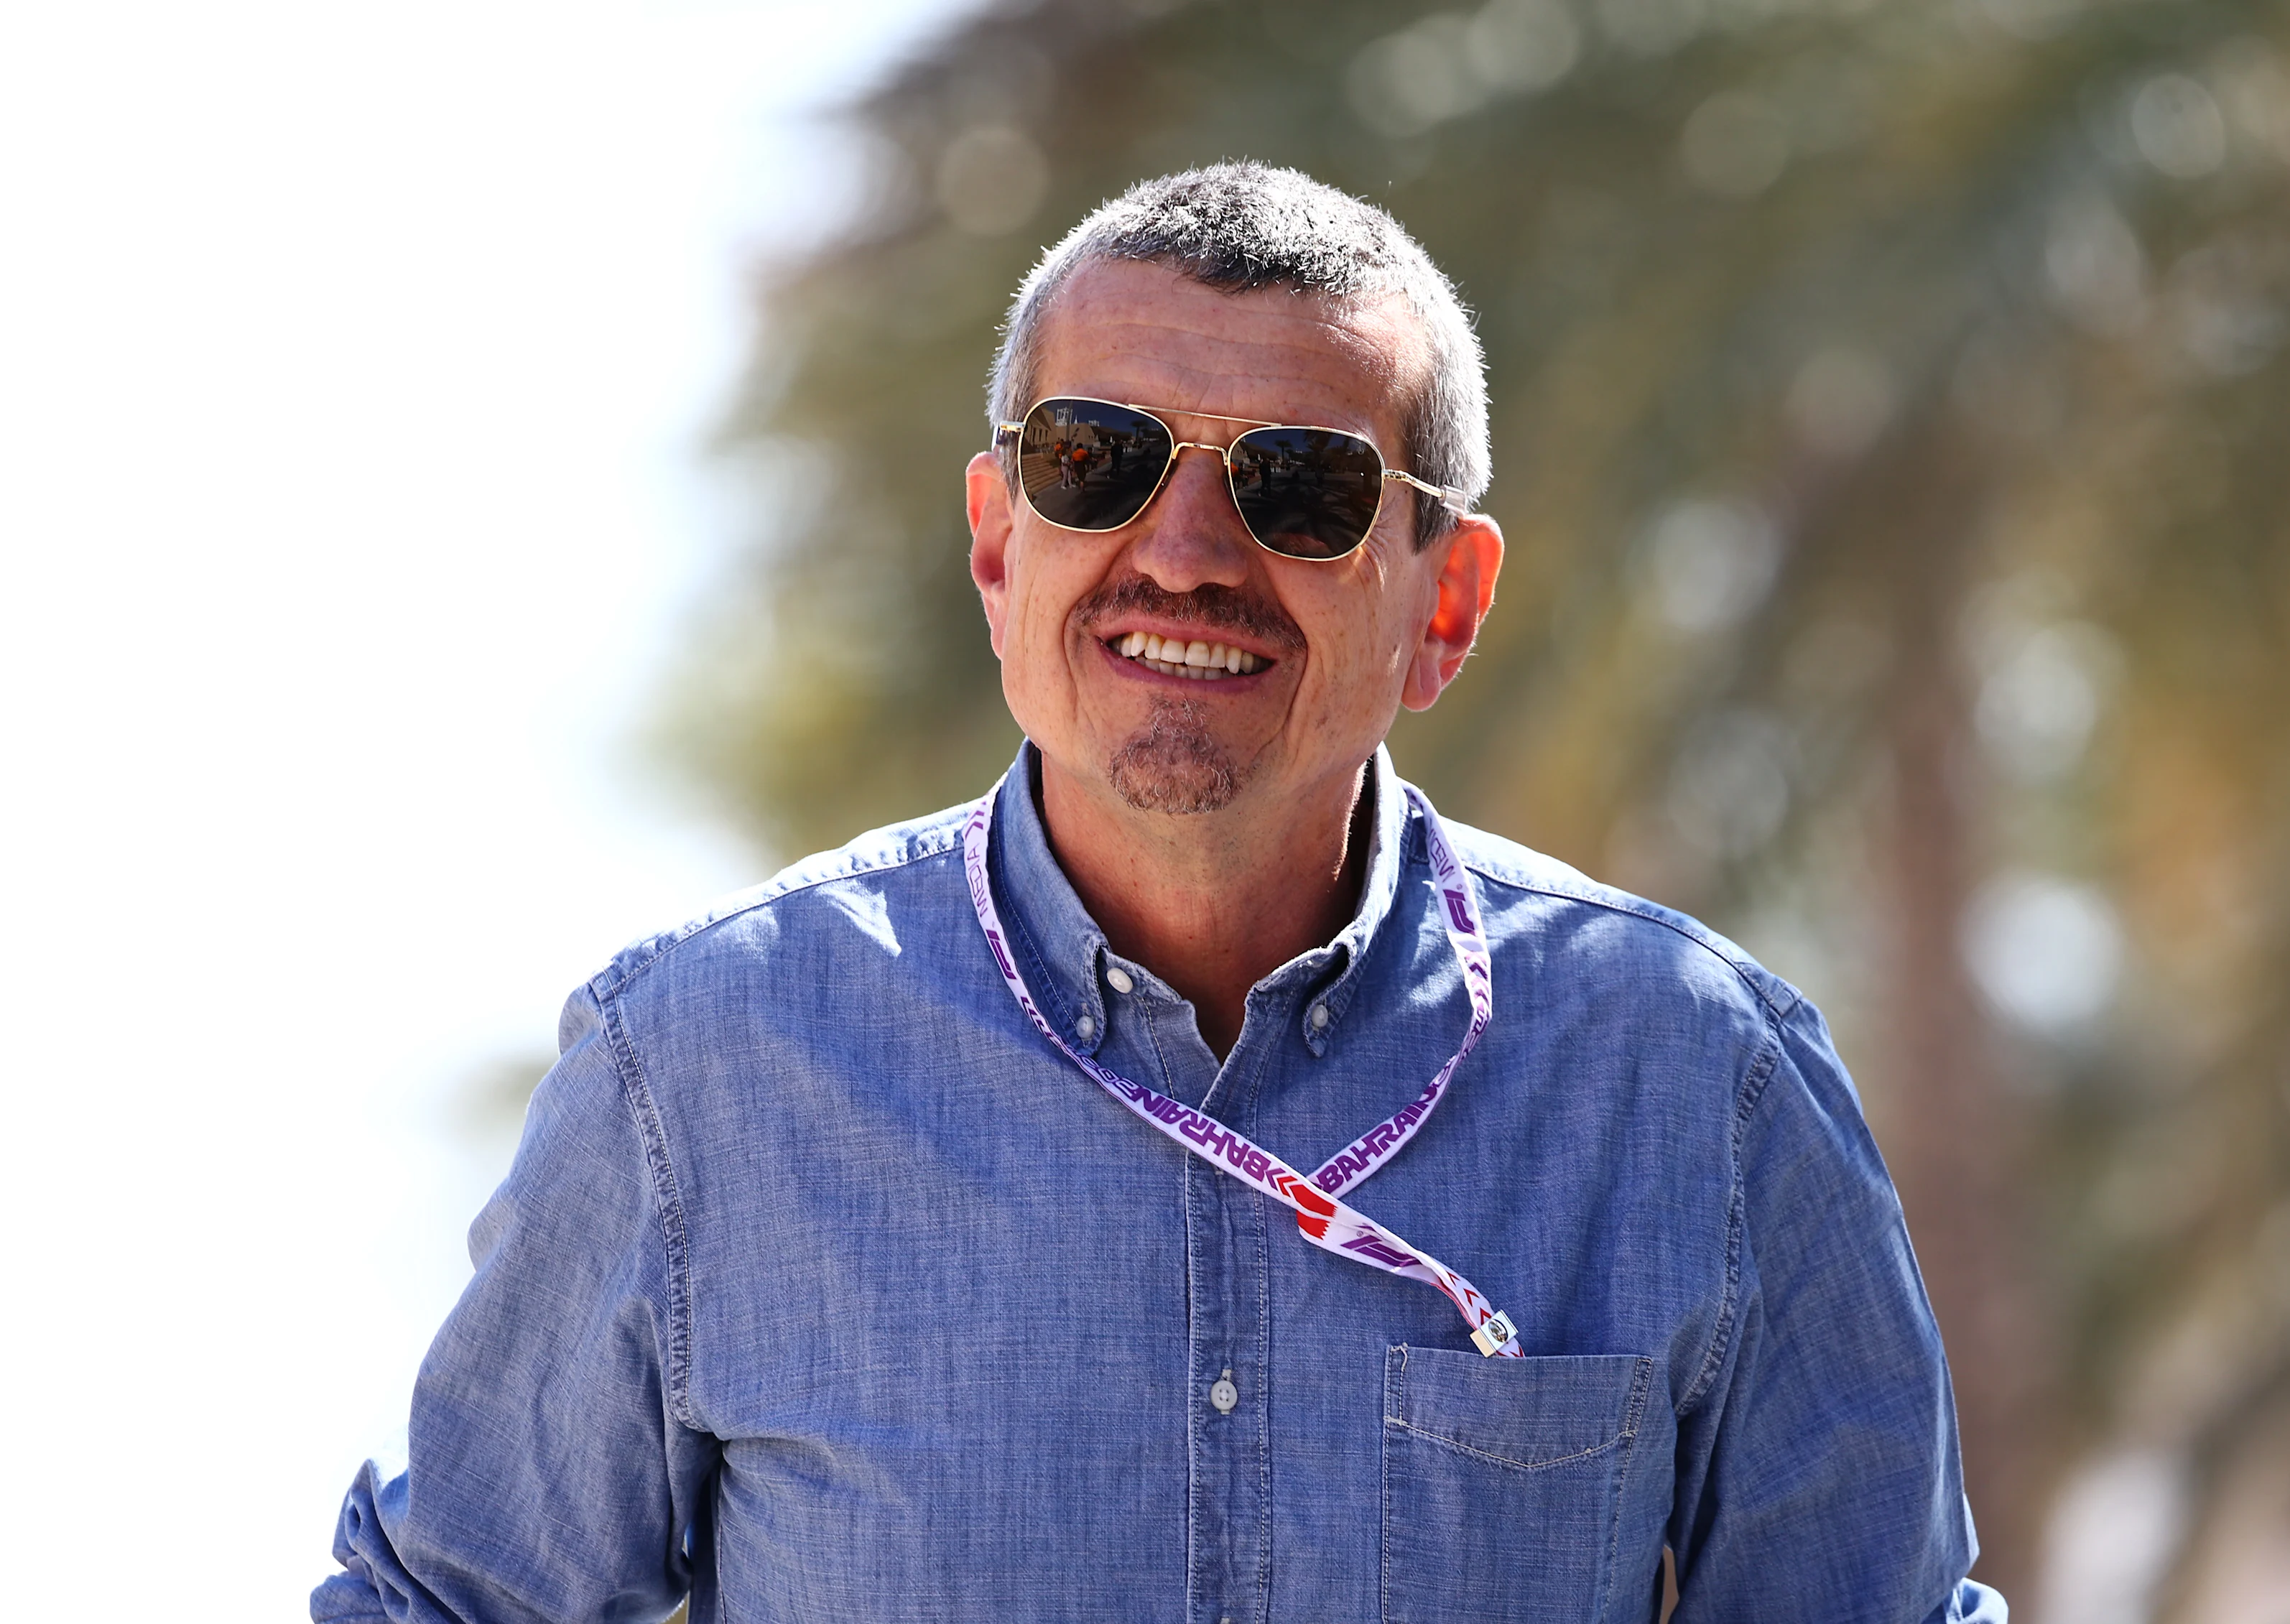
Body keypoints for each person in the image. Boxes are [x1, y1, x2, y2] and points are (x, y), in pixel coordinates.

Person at [312, 163, 2007, 1624]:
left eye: (1300, 486)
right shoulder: (699, 1071)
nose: (1184, 547)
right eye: (1098, 458)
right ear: (997, 543)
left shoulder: (1694, 1082)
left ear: (1447, 600)